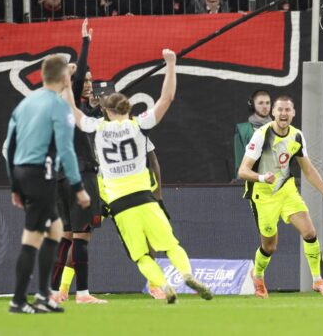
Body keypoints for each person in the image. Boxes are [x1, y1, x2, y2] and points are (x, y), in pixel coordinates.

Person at [66, 49, 214, 303]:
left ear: (106, 110)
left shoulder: (98, 127)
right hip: (145, 198)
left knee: (141, 256)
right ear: (127, 107)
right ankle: (187, 274)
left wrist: (66, 82)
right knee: (171, 246)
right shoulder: (139, 125)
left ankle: (163, 285)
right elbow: (166, 98)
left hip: (120, 202)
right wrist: (171, 64)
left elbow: (71, 109)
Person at [3, 54, 91, 314]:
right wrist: (78, 188)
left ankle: (44, 295)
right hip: (41, 174)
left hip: (21, 172)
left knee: (54, 230)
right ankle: (19, 300)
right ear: (65, 78)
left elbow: (10, 147)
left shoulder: (25, 104)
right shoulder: (59, 107)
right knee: (32, 237)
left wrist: (14, 186)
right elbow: (66, 149)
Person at [238, 95, 323, 298]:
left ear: (293, 113)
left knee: (309, 232)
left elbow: (308, 169)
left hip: (286, 190)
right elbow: (242, 171)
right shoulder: (261, 135)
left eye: (287, 110)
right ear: (273, 112)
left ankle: (317, 280)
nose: (283, 114)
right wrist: (261, 177)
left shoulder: (297, 136)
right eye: (280, 110)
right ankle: (257, 275)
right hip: (263, 195)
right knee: (270, 246)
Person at [50, 20, 106, 304]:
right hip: (80, 175)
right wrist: (85, 43)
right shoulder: (67, 104)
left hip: (61, 176)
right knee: (81, 237)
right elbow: (78, 72)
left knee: (68, 237)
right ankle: (82, 293)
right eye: (82, 80)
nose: (86, 82)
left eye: (89, 80)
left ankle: (52, 291)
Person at [233, 91, 271, 181]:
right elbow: (239, 161)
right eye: (260, 103)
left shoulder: (278, 128)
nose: (265, 106)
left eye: (267, 103)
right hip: (251, 181)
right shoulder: (242, 129)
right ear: (252, 105)